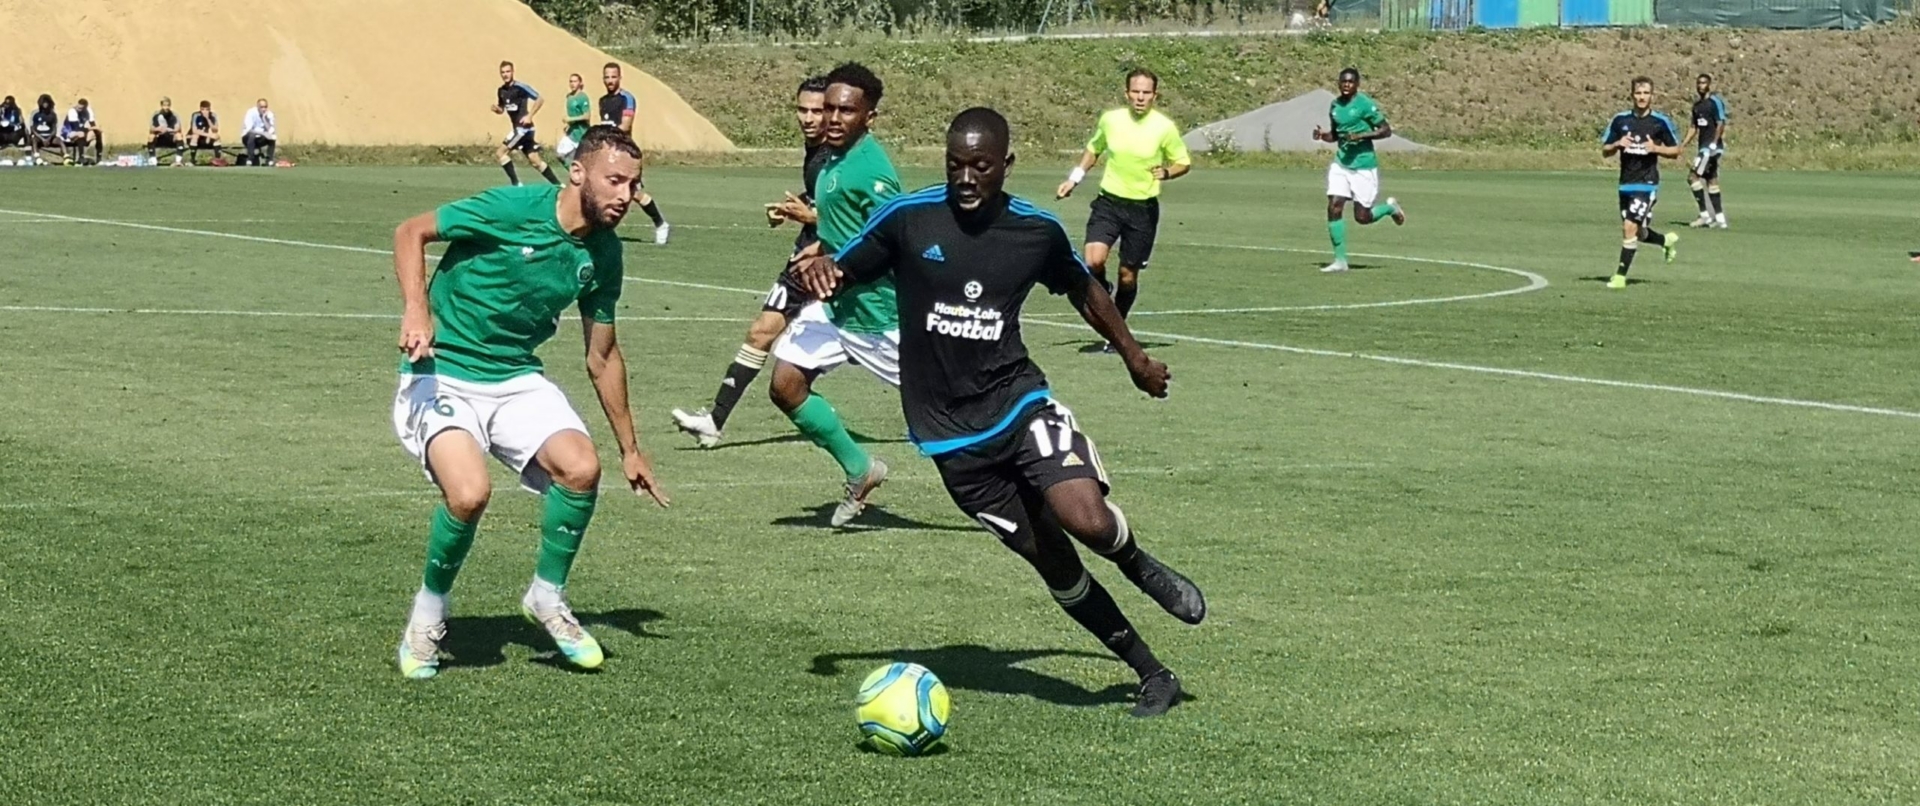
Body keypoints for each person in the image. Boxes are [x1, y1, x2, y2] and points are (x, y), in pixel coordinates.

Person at [792, 107, 1205, 717]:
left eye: (980, 166)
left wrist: (1135, 358)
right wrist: (822, 271)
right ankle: (1153, 674)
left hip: (1018, 403)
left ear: (1006, 165)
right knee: (1056, 565)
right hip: (949, 438)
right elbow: (842, 267)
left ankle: (1137, 563)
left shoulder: (1034, 231)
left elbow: (1085, 290)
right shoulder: (909, 219)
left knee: (1087, 520)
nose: (966, 178)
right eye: (955, 165)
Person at [389, 125, 669, 680]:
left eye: (633, 185)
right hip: (442, 372)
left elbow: (603, 356)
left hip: (516, 377)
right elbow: (410, 231)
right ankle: (428, 614)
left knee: (581, 468)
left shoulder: (605, 254)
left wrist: (631, 449)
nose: (625, 196)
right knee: (469, 494)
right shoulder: (512, 208)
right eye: (614, 181)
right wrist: (417, 310)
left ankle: (546, 596)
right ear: (578, 173)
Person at [763, 62, 903, 528]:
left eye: (846, 110)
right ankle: (861, 469)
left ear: (869, 117)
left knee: (952, 414)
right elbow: (848, 226)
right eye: (828, 109)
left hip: (879, 315)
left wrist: (835, 260)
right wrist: (821, 247)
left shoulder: (872, 172)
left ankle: (1028, 475)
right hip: (836, 307)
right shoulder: (831, 160)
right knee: (786, 384)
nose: (833, 118)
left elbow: (891, 242)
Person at [671, 75, 830, 448]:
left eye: (817, 111)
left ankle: (947, 408)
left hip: (831, 259)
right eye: (802, 110)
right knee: (761, 331)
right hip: (805, 257)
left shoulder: (841, 157)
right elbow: (823, 198)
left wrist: (811, 217)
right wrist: (795, 209)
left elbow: (862, 216)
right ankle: (714, 421)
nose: (808, 118)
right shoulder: (816, 152)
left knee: (881, 347)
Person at [1055, 68, 1191, 341]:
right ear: (1126, 93)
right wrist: (1074, 179)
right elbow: (1094, 149)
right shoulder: (1111, 120)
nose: (1140, 97)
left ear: (1155, 95)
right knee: (1093, 260)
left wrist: (1167, 172)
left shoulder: (1164, 127)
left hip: (1142, 210)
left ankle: (1117, 331)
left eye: (1146, 93)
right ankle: (1102, 289)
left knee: (1128, 276)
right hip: (1109, 202)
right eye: (1135, 92)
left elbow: (1183, 162)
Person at [1310, 67, 1406, 273]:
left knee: (1362, 217)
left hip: (1363, 165)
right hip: (1341, 164)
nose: (1346, 85)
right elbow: (1336, 135)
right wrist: (1322, 136)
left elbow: (1386, 130)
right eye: (1343, 81)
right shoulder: (1335, 106)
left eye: (1350, 82)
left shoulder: (1364, 104)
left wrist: (1361, 136)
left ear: (1357, 84)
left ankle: (1390, 209)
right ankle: (1340, 261)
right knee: (1334, 206)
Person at [1602, 77, 1683, 290]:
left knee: (1629, 227)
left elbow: (1676, 150)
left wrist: (1656, 148)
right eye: (1638, 93)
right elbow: (1605, 150)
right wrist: (1617, 144)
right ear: (1632, 95)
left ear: (1652, 96)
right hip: (1625, 184)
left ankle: (1620, 277)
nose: (1642, 97)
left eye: (1646, 93)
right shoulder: (1620, 120)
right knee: (1637, 232)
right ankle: (1665, 241)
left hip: (1647, 184)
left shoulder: (1660, 122)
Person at [598, 62, 670, 244]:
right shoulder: (603, 101)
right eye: (607, 77)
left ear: (620, 77)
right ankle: (600, 230)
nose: (610, 80)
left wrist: (607, 135)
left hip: (626, 154)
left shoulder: (627, 98)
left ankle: (660, 223)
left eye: (613, 76)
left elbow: (625, 125)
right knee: (602, 189)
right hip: (609, 154)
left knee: (635, 194)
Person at [492, 61, 560, 186]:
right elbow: (502, 109)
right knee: (535, 160)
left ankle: (516, 184)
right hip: (519, 129)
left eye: (508, 71)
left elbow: (540, 99)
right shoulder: (501, 91)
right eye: (503, 72)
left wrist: (530, 116)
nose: (505, 74)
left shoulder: (521, 87)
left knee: (500, 152)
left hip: (523, 129)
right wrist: (497, 109)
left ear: (513, 72)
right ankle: (558, 185)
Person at [1683, 73, 1730, 229]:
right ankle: (1720, 219)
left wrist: (1714, 144)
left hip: (1710, 149)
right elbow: (1694, 127)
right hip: (1703, 147)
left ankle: (1704, 215)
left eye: (1703, 83)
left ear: (1709, 85)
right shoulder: (1697, 106)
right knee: (1711, 180)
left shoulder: (1714, 102)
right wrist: (1683, 144)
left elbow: (1721, 122)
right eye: (1698, 83)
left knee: (1692, 177)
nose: (1700, 86)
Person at [556, 73, 592, 162]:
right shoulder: (569, 97)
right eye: (571, 81)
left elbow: (587, 116)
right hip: (572, 133)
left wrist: (571, 119)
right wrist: (568, 125)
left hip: (582, 133)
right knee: (560, 155)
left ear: (580, 83)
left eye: (575, 81)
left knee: (584, 161)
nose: (572, 84)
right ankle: (572, 169)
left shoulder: (583, 97)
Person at [61, 97, 103, 165]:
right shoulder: (72, 111)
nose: (79, 109)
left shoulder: (88, 111)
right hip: (69, 133)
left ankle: (99, 157)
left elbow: (93, 124)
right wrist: (91, 128)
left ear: (85, 107)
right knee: (81, 133)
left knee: (97, 132)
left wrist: (96, 129)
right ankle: (81, 157)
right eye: (78, 107)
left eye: (81, 108)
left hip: (81, 131)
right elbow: (76, 128)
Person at [147, 97, 186, 165]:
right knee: (151, 137)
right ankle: (153, 160)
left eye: (168, 105)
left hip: (170, 137)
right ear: (161, 106)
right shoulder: (156, 114)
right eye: (165, 105)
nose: (166, 107)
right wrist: (158, 129)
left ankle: (178, 161)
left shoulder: (174, 115)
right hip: (160, 137)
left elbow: (178, 128)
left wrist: (168, 129)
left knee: (179, 135)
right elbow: (151, 129)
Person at [241, 98, 277, 166]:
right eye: (261, 107)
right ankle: (250, 159)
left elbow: (271, 130)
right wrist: (263, 133)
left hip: (260, 138)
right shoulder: (251, 112)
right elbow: (249, 130)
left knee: (273, 137)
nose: (264, 109)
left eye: (265, 107)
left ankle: (269, 160)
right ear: (257, 107)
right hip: (248, 137)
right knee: (252, 135)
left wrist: (264, 118)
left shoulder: (269, 114)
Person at [187, 100, 224, 165]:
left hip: (208, 140)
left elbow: (215, 129)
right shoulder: (196, 115)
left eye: (207, 109)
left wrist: (208, 119)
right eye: (203, 109)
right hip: (197, 139)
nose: (205, 111)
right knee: (195, 136)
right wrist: (208, 135)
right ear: (200, 109)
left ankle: (217, 159)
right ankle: (192, 160)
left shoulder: (213, 115)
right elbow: (194, 130)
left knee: (216, 136)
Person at [27, 95, 60, 163]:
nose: (45, 105)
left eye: (47, 103)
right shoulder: (35, 113)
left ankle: (66, 156)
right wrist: (42, 139)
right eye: (43, 103)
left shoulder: (53, 114)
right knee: (34, 140)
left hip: (49, 136)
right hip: (38, 136)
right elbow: (32, 128)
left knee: (60, 141)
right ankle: (37, 157)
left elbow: (54, 128)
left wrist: (49, 138)